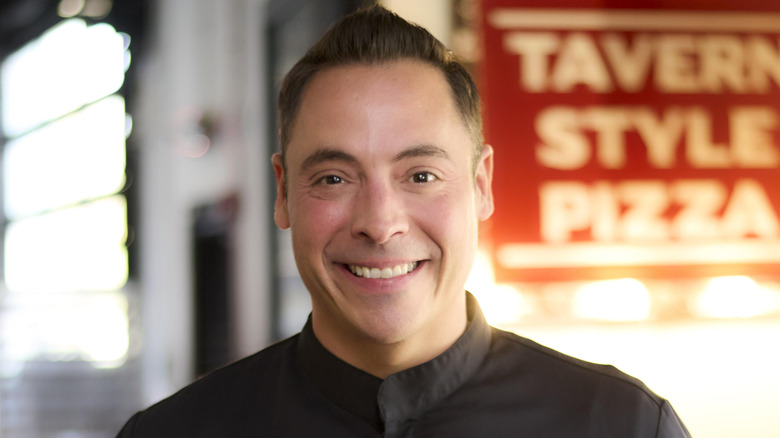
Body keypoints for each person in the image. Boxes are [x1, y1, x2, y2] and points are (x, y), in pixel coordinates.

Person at [116, 5, 691, 437]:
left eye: (420, 175)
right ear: (284, 194)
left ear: (482, 184)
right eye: (334, 178)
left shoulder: (622, 427)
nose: (380, 222)